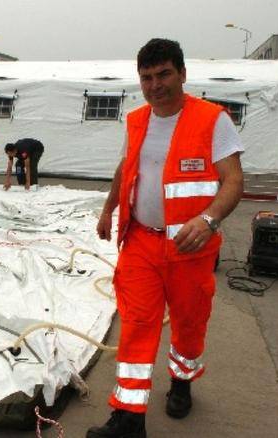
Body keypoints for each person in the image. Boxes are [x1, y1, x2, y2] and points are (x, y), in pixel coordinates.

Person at [88, 39, 244, 438]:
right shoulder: (138, 120)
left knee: (189, 326)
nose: (155, 85)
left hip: (190, 250)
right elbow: (126, 168)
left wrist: (209, 219)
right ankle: (128, 417)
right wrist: (109, 210)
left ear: (182, 74)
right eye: (146, 78)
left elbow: (233, 181)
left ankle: (181, 382)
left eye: (163, 75)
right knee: (137, 324)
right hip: (141, 240)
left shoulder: (212, 120)